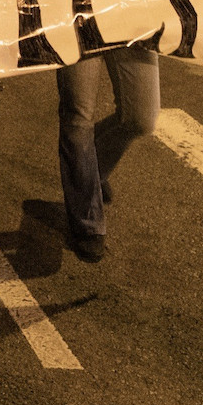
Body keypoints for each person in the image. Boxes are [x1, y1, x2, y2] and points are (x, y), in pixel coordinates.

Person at [55, 42, 161, 263]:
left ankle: (91, 168)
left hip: (130, 17)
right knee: (78, 116)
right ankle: (87, 220)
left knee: (141, 118)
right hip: (76, 17)